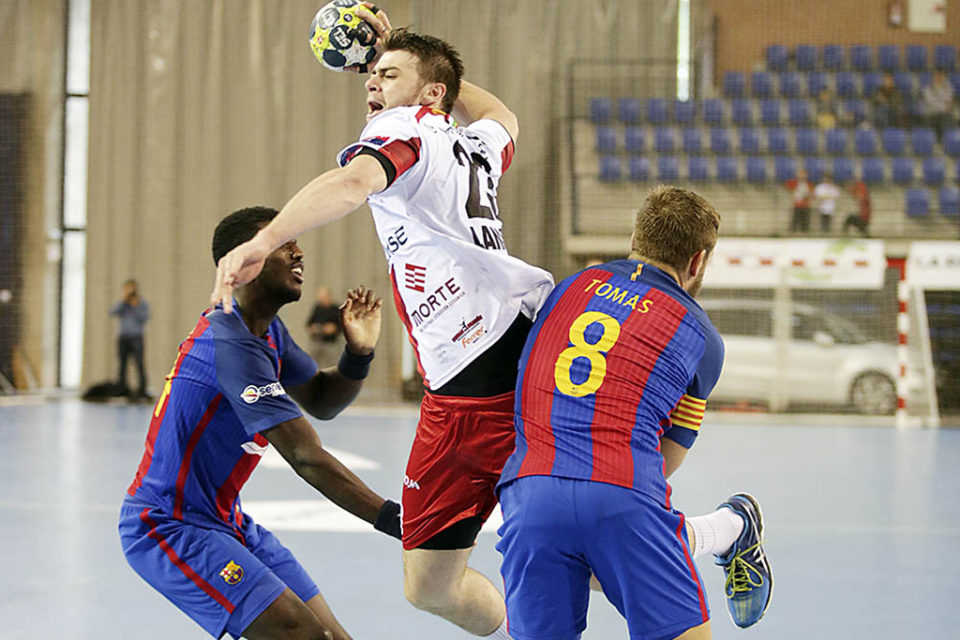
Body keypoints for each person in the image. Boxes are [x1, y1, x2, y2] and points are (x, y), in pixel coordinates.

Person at [210, 10, 554, 640]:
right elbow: (503, 115)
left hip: (475, 374)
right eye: (373, 73)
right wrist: (406, 59)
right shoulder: (473, 146)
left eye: (388, 73)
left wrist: (266, 239)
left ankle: (710, 535)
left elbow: (352, 182)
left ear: (430, 94)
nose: (371, 79)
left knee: (553, 548)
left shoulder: (405, 129)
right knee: (432, 583)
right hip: (507, 353)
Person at [496, 186, 772, 640]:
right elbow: (665, 461)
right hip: (621, 492)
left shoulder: (566, 288)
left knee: (587, 553)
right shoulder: (701, 337)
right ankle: (731, 527)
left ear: (635, 239)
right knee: (622, 548)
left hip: (529, 495)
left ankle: (727, 529)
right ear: (698, 261)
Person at [120, 206, 401, 640]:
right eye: (283, 244)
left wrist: (358, 353)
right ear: (241, 262)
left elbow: (322, 400)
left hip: (226, 519)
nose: (299, 253)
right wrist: (400, 521)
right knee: (304, 635)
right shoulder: (230, 344)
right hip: (169, 526)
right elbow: (306, 457)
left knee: (333, 637)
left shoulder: (268, 333)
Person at [110, 278, 151, 399]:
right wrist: (124, 301)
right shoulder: (123, 304)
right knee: (122, 364)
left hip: (136, 337)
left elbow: (144, 318)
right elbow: (112, 312)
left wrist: (135, 305)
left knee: (139, 363)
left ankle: (142, 389)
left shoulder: (142, 303)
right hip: (124, 337)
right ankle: (121, 388)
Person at [307, 286, 343, 365]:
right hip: (317, 341)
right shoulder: (317, 308)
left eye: (323, 297)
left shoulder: (336, 309)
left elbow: (341, 326)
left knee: (332, 364)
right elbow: (309, 323)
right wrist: (314, 328)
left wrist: (333, 329)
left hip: (331, 343)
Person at [919, 71, 956, 143]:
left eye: (940, 77)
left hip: (945, 112)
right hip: (932, 112)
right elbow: (930, 101)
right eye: (936, 77)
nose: (938, 79)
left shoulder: (948, 87)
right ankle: (936, 141)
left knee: (947, 118)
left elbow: (949, 100)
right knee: (938, 117)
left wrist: (940, 101)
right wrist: (942, 103)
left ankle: (946, 141)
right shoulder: (927, 89)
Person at [785, 167, 813, 233]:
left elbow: (811, 193)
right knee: (795, 220)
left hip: (805, 204)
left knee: (805, 220)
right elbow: (788, 187)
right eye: (800, 174)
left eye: (804, 174)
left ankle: (805, 232)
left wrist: (807, 195)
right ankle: (792, 232)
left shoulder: (809, 184)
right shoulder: (794, 182)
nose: (802, 176)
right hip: (797, 204)